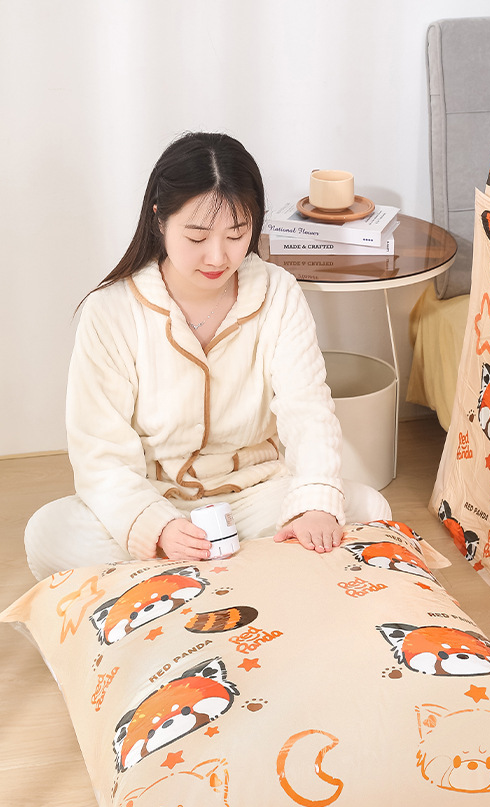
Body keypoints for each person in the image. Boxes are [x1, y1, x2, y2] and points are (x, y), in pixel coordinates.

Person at [24, 132, 391, 581]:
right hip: (157, 498)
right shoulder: (111, 310)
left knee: (368, 508)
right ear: (159, 219)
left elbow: (308, 410)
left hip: (257, 496)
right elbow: (99, 452)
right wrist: (157, 527)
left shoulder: (277, 292)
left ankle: (186, 581)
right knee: (49, 533)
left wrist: (313, 505)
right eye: (197, 236)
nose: (218, 256)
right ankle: (241, 574)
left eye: (237, 234)